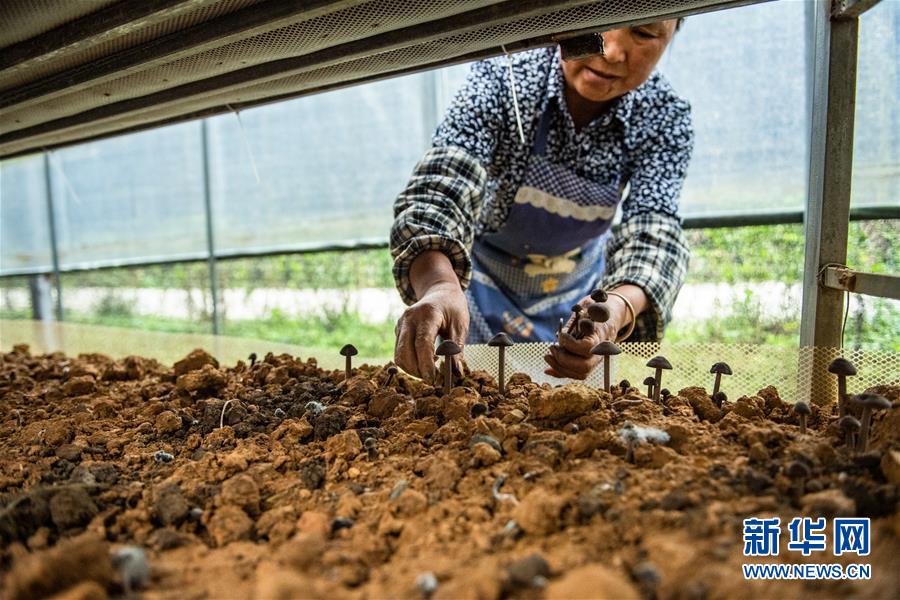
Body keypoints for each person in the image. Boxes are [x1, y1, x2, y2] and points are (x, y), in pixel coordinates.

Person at [390, 19, 691, 381]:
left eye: (643, 33)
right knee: (475, 405)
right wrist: (439, 285)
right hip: (479, 295)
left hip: (580, 298)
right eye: (597, 22)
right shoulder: (506, 78)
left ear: (670, 36)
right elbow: (444, 181)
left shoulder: (664, 117)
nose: (610, 51)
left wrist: (617, 307)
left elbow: (655, 229)